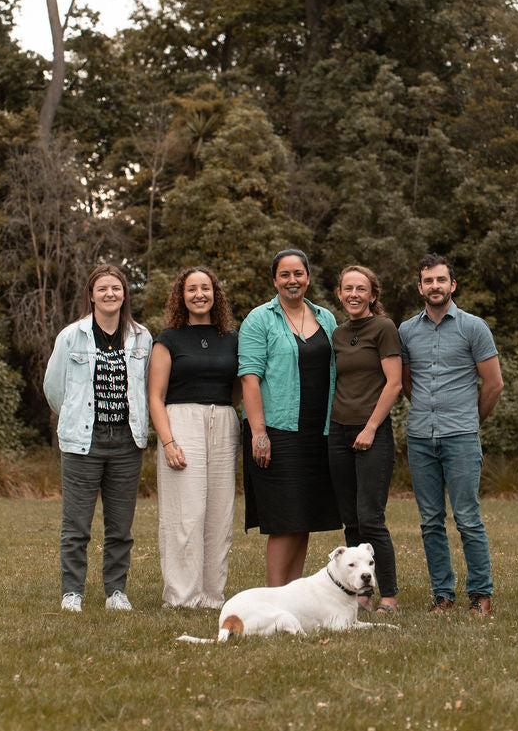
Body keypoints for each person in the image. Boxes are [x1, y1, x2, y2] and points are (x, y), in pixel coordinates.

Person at [399, 252, 503, 616]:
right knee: (430, 522)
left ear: (452, 284)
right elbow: (406, 383)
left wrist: (471, 420)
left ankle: (481, 595)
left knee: (467, 519)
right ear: (420, 288)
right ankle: (443, 595)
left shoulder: (474, 327)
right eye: (428, 281)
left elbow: (493, 384)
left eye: (441, 280)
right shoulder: (406, 331)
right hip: (420, 438)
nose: (435, 286)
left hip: (461, 436)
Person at [43, 263, 152, 613]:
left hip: (126, 442)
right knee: (76, 524)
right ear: (91, 295)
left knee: (120, 526)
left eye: (116, 288)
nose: (110, 294)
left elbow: (146, 388)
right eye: (102, 288)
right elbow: (54, 389)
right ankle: (72, 592)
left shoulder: (141, 337)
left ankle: (116, 592)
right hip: (83, 442)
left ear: (125, 294)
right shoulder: (71, 336)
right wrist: (77, 416)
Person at [238, 248, 341, 586]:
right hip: (277, 431)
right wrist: (259, 433)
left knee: (304, 517)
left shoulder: (325, 318)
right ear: (275, 280)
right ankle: (274, 594)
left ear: (308, 278)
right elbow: (249, 378)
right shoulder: (260, 319)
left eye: (298, 273)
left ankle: (292, 593)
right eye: (285, 274)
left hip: (318, 432)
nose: (292, 280)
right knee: (284, 519)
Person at [148, 266, 240, 608]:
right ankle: (182, 596)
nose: (199, 294)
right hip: (181, 422)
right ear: (181, 296)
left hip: (223, 421)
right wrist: (168, 441)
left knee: (219, 515)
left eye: (205, 288)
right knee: (185, 514)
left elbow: (237, 388)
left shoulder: (231, 338)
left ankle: (212, 595)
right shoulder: (169, 338)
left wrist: (223, 417)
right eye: (192, 289)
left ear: (215, 294)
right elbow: (155, 396)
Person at [327, 265, 402, 613]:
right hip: (339, 431)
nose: (353, 295)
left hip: (373, 431)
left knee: (371, 519)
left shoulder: (384, 328)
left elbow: (394, 383)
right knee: (352, 521)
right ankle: (361, 595)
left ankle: (388, 596)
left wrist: (370, 427)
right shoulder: (338, 333)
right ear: (339, 294)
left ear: (372, 295)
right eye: (348, 289)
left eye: (361, 289)